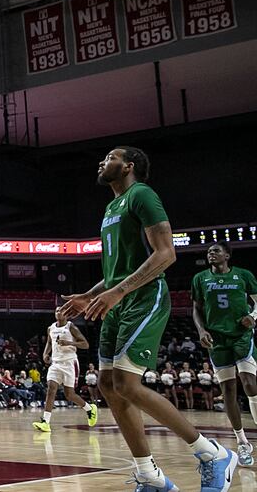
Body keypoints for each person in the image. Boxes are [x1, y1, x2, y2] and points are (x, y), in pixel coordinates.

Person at [61, 147, 234, 491]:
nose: (102, 161)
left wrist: (117, 293)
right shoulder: (111, 207)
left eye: (110, 157)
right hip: (119, 300)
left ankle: (211, 453)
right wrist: (92, 295)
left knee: (126, 384)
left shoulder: (142, 195)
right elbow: (116, 273)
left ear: (128, 166)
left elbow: (166, 253)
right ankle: (150, 475)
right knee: (108, 386)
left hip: (145, 298)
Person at [192, 241, 257, 467]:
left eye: (216, 251)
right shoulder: (200, 279)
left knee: (249, 384)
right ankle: (242, 442)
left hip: (241, 335)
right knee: (228, 390)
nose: (211, 253)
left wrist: (254, 317)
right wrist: (201, 330)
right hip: (216, 340)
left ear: (227, 255)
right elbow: (197, 308)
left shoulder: (244, 276)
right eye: (209, 251)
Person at [33, 308, 97, 432]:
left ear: (66, 314)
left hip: (70, 363)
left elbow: (85, 344)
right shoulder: (50, 328)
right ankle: (45, 422)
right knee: (51, 389)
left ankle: (90, 409)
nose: (58, 312)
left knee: (69, 395)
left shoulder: (70, 327)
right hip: (56, 363)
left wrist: (69, 342)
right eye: (56, 310)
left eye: (61, 310)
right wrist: (45, 354)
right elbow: (49, 342)